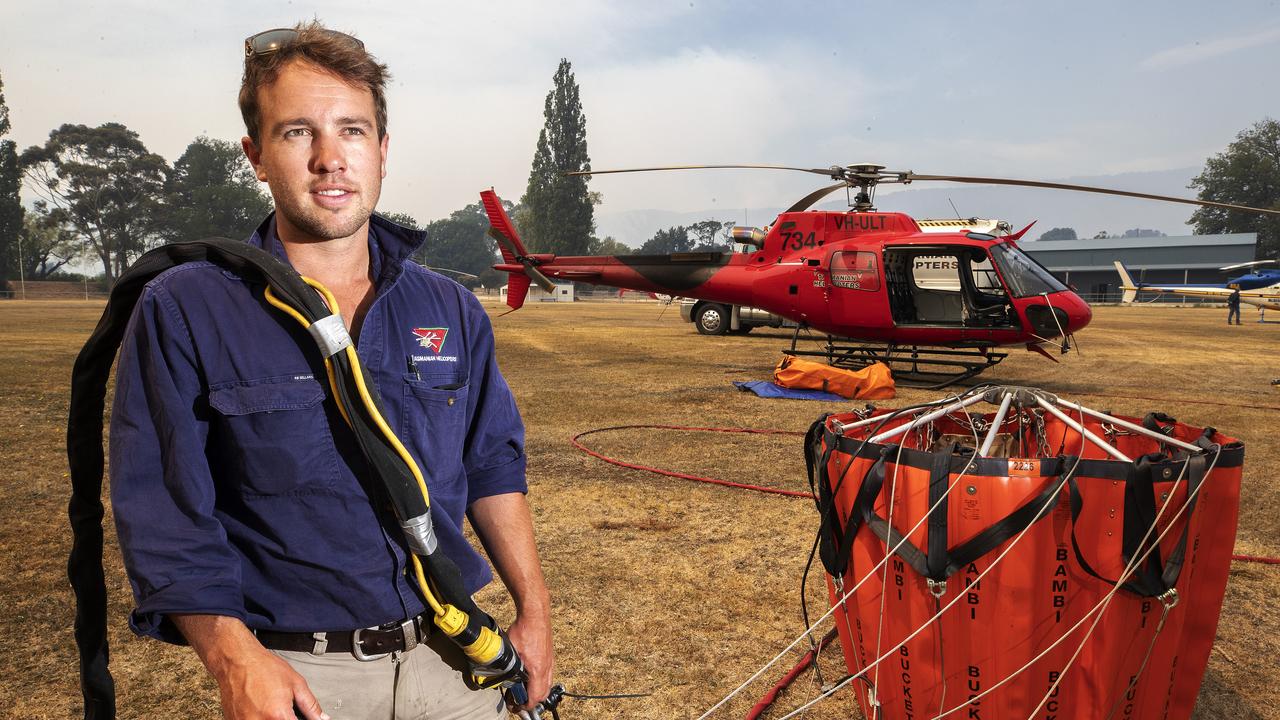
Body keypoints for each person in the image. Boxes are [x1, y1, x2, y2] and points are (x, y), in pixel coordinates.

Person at [108, 22, 553, 719]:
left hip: (455, 663)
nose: (329, 159)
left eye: (351, 130)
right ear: (255, 155)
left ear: (381, 149)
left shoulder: (451, 308)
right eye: (296, 133)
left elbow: (493, 465)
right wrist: (234, 658)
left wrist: (534, 609)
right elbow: (164, 513)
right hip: (301, 682)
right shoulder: (188, 307)